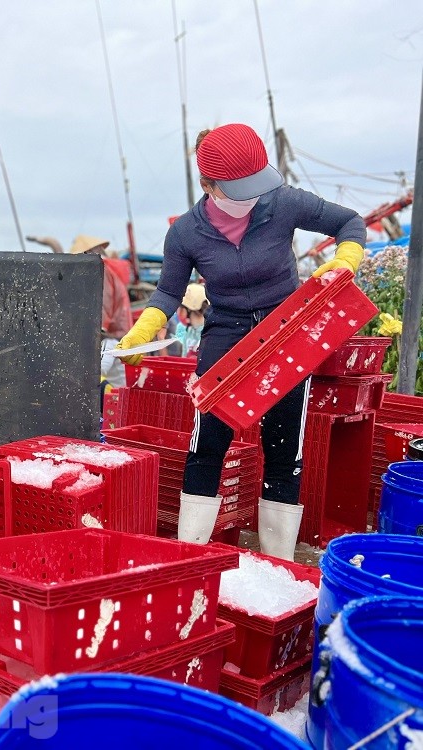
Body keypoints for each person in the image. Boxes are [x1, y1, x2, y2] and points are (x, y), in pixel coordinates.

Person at [115, 123, 366, 560]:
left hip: (287, 333)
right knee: (207, 444)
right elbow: (170, 292)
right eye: (238, 188)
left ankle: (278, 562)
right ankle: (189, 555)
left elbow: (349, 222)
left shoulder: (284, 203)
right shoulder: (185, 234)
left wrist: (346, 258)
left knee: (284, 447)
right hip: (226, 336)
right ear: (208, 185)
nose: (252, 195)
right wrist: (148, 321)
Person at [69, 235, 133, 388]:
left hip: (111, 338)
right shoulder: (104, 272)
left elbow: (102, 311)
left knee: (95, 377)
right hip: (115, 337)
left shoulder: (102, 274)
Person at [173, 282, 208, 356]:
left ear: (188, 310)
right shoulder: (189, 331)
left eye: (181, 309)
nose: (179, 312)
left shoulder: (208, 333)